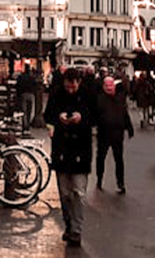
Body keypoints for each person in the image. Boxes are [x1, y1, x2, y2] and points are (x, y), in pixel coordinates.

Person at [45, 67, 96, 248]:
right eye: (68, 86)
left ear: (79, 82)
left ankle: (76, 230)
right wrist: (57, 118)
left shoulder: (88, 95)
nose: (70, 89)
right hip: (62, 150)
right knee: (65, 194)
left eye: (73, 86)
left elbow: (96, 116)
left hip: (80, 151)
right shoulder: (57, 94)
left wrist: (81, 118)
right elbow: (47, 115)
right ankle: (69, 225)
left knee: (79, 193)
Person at [95, 74, 135, 192]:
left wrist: (129, 127)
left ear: (114, 86)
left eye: (111, 85)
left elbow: (124, 113)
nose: (109, 87)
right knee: (101, 158)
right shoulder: (100, 99)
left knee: (119, 159)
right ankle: (99, 179)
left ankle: (120, 183)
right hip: (104, 133)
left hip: (117, 134)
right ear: (103, 87)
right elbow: (95, 115)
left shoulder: (120, 98)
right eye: (107, 85)